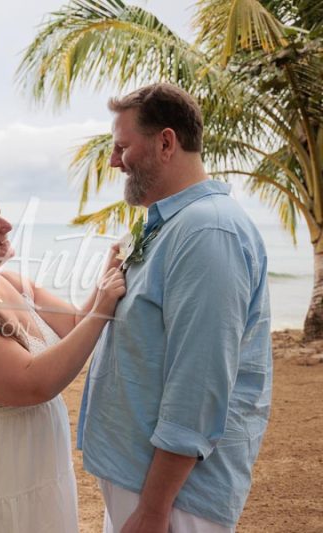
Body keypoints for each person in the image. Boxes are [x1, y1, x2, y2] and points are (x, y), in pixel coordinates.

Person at [77, 83, 272, 532]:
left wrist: (154, 508)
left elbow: (198, 385)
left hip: (177, 498)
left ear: (166, 142)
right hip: (144, 480)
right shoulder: (172, 225)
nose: (112, 161)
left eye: (122, 146)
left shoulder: (208, 232)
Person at [0, 184, 126, 532]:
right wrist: (103, 310)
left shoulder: (12, 284)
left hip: (38, 465)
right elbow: (34, 384)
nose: (8, 226)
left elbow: (74, 323)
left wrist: (109, 270)